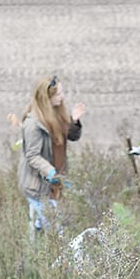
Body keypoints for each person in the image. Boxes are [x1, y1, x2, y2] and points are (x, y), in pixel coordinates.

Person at [17, 74, 86, 237]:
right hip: (37, 185)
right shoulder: (32, 124)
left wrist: (74, 121)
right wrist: (51, 173)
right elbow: (32, 156)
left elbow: (72, 136)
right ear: (47, 97)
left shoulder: (57, 114)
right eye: (58, 94)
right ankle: (44, 245)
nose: (62, 97)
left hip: (55, 183)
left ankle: (39, 230)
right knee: (56, 229)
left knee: (53, 221)